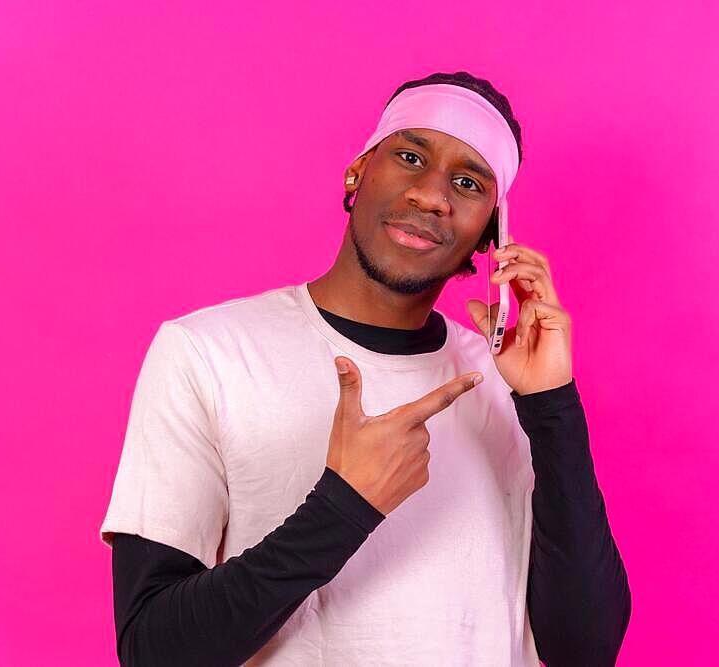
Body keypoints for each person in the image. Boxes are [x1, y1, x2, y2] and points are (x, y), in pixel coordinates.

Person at [99, 70, 630, 666]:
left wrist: (552, 404)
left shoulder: (510, 384)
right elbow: (152, 650)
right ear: (359, 170)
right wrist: (344, 506)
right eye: (409, 156)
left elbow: (584, 650)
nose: (432, 195)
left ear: (491, 234)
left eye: (467, 182)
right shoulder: (206, 353)